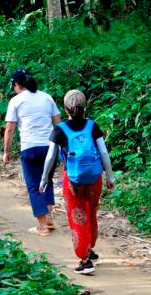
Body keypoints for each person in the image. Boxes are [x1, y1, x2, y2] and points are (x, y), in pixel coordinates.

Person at [39, 89, 115, 275]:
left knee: (78, 216)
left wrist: (43, 179)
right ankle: (90, 248)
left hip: (73, 180)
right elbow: (104, 153)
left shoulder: (60, 129)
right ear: (85, 106)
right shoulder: (92, 126)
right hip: (94, 178)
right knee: (90, 212)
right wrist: (110, 177)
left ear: (65, 108)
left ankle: (85, 259)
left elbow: (51, 157)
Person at [3, 68, 61, 236]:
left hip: (29, 148)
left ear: (16, 85)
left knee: (34, 186)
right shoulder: (47, 97)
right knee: (47, 180)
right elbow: (58, 123)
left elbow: (9, 128)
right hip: (50, 146)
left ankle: (42, 227)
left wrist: (6, 152)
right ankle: (48, 217)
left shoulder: (16, 101)